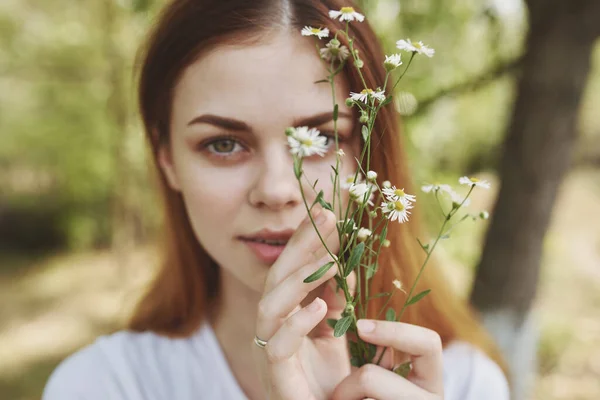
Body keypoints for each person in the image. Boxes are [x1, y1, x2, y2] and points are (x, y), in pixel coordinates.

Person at [43, 0, 510, 399]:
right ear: (166, 160)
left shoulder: (461, 384)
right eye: (223, 144)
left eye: (320, 138)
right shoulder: (103, 385)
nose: (276, 190)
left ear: (371, 152)